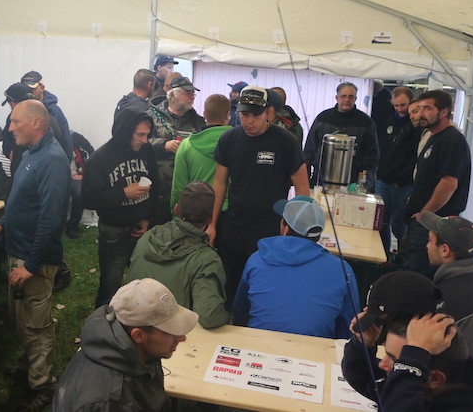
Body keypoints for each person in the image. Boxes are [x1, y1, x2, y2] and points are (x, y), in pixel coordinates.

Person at [0, 100, 70, 412]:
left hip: (34, 261)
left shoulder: (53, 160)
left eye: (15, 121)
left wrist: (31, 266)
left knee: (37, 327)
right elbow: (22, 201)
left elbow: (51, 220)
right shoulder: (30, 154)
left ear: (36, 123)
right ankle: (29, 367)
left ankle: (43, 388)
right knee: (23, 321)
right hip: (18, 251)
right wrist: (4, 223)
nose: (10, 128)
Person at [209, 85, 309, 302]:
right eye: (244, 115)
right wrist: (212, 224)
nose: (249, 121)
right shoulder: (229, 139)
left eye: (255, 115)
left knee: (264, 289)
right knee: (230, 287)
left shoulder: (286, 142)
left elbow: (302, 190)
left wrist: (298, 232)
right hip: (234, 227)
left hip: (270, 229)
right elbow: (219, 184)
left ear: (268, 113)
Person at [52, 278, 199, 412]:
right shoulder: (108, 401)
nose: (182, 338)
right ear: (138, 336)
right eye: (169, 331)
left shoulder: (134, 349)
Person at [233, 196, 358, 339]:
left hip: (257, 346)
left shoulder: (257, 260)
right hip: (314, 350)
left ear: (285, 228)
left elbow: (240, 312)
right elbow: (349, 327)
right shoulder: (342, 270)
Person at [82, 106, 159, 308]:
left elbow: (156, 186)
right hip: (113, 232)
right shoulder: (100, 159)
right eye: (140, 135)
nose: (145, 140)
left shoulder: (147, 151)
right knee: (110, 287)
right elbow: (88, 199)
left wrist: (147, 218)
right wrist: (123, 193)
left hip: (141, 230)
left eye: (147, 135)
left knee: (143, 286)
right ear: (125, 132)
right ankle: (103, 324)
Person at [342, 314, 473, 411]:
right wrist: (364, 342)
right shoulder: (416, 382)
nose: (382, 364)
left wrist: (411, 361)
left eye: (397, 361)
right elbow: (364, 378)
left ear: (435, 379)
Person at [128, 181, 228, 329]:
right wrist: (229, 316)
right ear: (210, 218)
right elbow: (209, 317)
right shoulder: (207, 259)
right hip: (172, 334)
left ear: (176, 209)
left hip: (134, 324)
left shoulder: (147, 237)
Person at [404, 90, 471, 278]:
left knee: (420, 278)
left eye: (427, 108)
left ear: (444, 112)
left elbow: (449, 183)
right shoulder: (433, 137)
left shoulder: (453, 140)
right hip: (422, 222)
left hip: (433, 224)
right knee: (413, 271)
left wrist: (425, 214)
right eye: (419, 108)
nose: (421, 113)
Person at [422, 212, 473, 360]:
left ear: (444, 250)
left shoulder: (439, 299)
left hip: (462, 372)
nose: (427, 245)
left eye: (430, 240)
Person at [147, 76, 205, 226]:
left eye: (193, 94)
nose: (192, 97)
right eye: (187, 93)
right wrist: (163, 145)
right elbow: (138, 143)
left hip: (186, 189)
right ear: (172, 95)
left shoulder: (198, 122)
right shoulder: (151, 116)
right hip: (157, 189)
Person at [303, 82, 379, 191]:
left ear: (355, 99)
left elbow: (372, 154)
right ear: (337, 98)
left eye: (351, 97)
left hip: (351, 183)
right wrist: (306, 176)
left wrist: (359, 170)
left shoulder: (365, 122)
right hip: (320, 180)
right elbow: (310, 149)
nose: (347, 100)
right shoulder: (323, 118)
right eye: (343, 96)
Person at [375, 86, 419, 252]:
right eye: (396, 105)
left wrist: (403, 179)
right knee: (381, 222)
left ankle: (402, 258)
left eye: (403, 105)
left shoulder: (416, 126)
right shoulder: (389, 120)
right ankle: (384, 256)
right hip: (383, 180)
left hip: (403, 184)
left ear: (411, 102)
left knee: (400, 226)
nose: (400, 109)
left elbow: (415, 156)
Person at [170, 93, 231, 212]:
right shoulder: (237, 143)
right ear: (228, 115)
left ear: (204, 115)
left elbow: (178, 186)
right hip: (229, 211)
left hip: (195, 212)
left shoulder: (186, 145)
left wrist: (175, 211)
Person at [21, 70, 73, 160]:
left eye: (32, 88)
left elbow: (67, 144)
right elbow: (7, 137)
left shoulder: (54, 111)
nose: (28, 92)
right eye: (25, 89)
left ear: (42, 88)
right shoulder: (19, 110)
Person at [66, 131, 94, 238]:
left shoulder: (75, 137)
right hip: (56, 175)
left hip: (74, 175)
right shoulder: (48, 138)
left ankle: (72, 226)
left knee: (79, 193)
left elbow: (92, 153)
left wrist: (84, 175)